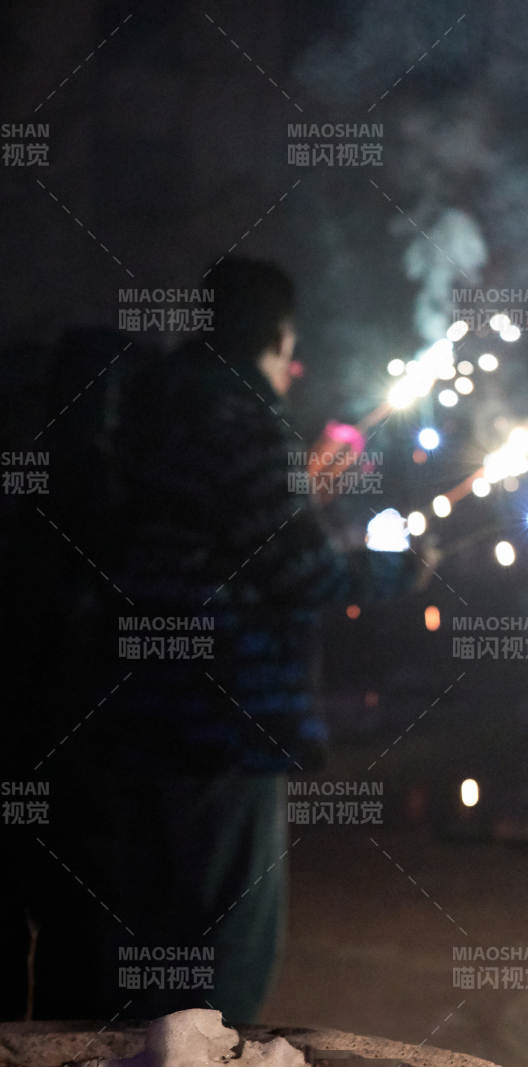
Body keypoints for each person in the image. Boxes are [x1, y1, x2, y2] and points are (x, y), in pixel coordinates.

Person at [19, 256, 429, 1024]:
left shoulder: (156, 407)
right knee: (225, 959)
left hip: (140, 715)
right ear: (275, 335)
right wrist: (398, 570)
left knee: (147, 946)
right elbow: (298, 571)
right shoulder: (240, 416)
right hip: (224, 721)